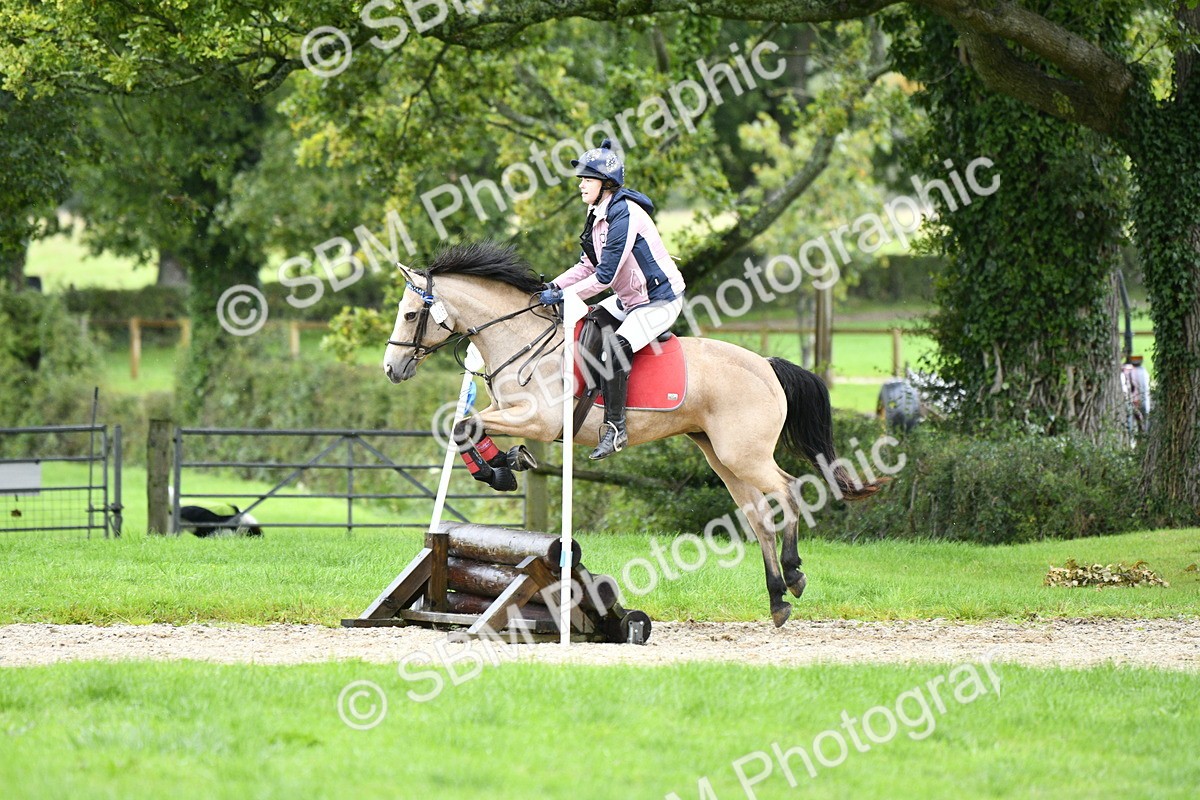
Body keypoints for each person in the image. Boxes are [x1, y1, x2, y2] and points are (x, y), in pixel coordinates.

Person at [538, 139, 686, 460]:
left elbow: (603, 277)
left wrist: (561, 296)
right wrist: (552, 286)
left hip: (659, 300)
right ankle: (590, 396)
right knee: (590, 324)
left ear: (606, 184)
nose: (580, 185)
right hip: (629, 299)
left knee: (615, 347)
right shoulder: (597, 214)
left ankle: (616, 428)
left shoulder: (625, 215)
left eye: (586, 179)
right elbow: (586, 266)